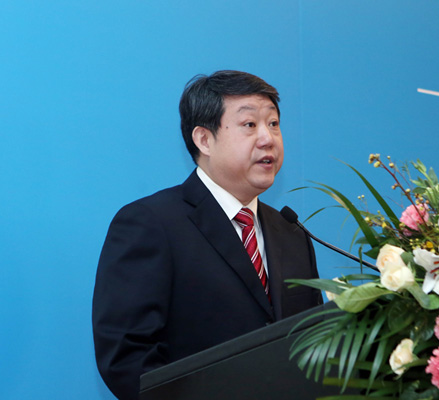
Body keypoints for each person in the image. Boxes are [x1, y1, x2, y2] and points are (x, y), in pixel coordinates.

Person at [92, 70, 322, 400]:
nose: (268, 138)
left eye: (273, 123)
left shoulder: (291, 233)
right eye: (249, 124)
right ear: (204, 140)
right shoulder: (151, 224)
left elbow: (313, 343)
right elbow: (126, 357)